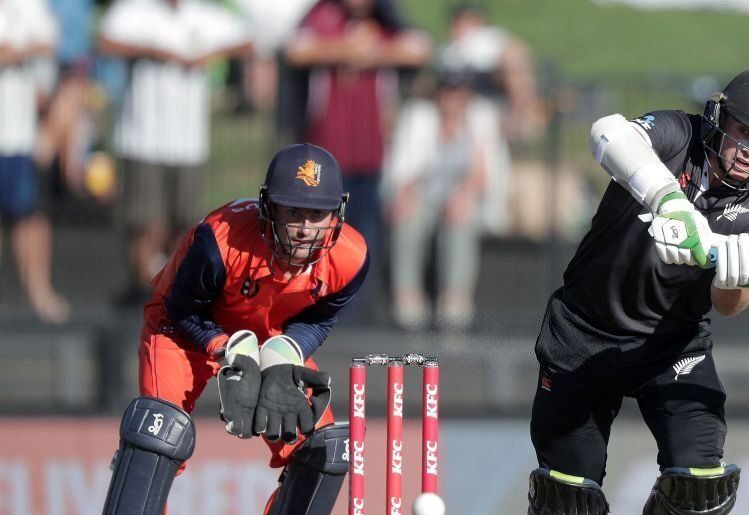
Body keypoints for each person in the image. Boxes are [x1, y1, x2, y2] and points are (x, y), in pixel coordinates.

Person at [514, 68, 749, 515]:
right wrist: (667, 198)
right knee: (570, 493)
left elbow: (732, 305)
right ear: (721, 120)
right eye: (743, 131)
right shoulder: (677, 137)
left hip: (672, 346)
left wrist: (735, 273)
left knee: (702, 478)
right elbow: (606, 134)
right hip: (584, 336)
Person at [77, 143, 370, 515]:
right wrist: (224, 346)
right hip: (184, 331)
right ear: (267, 207)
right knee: (156, 433)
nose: (304, 227)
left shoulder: (352, 256)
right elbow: (178, 308)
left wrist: (287, 349)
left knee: (327, 450)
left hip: (272, 337)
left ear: (336, 214)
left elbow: (322, 316)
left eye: (317, 215)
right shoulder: (219, 240)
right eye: (293, 212)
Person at [97, 0, 253, 307]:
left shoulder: (203, 14)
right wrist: (156, 52)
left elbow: (247, 41)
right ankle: (143, 287)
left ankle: (172, 287)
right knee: (145, 220)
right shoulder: (134, 10)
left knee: (183, 221)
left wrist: (209, 55)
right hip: (143, 135)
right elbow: (105, 42)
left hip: (188, 140)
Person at [285, 0, 431, 321]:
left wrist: (370, 51)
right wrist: (348, 50)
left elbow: (418, 49)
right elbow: (297, 49)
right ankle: (319, 301)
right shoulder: (323, 17)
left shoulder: (386, 23)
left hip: (370, 152)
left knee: (364, 232)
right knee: (323, 232)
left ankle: (359, 306)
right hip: (328, 153)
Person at [382, 69, 487, 331]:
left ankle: (455, 300)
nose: (453, 99)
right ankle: (407, 298)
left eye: (459, 92)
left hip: (457, 198)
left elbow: (481, 173)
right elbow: (402, 171)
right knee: (409, 218)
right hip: (420, 194)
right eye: (448, 91)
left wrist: (462, 196)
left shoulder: (479, 120)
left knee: (461, 219)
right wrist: (404, 197)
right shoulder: (418, 118)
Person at [439, 1, 541, 237]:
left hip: (484, 122)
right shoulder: (454, 49)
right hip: (467, 124)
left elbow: (514, 57)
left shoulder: (480, 40)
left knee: (491, 186)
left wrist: (519, 109)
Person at [0, 0, 69, 323]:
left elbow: (49, 42)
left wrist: (17, 52)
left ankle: (38, 294)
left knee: (30, 216)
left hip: (18, 133)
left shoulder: (30, 5)